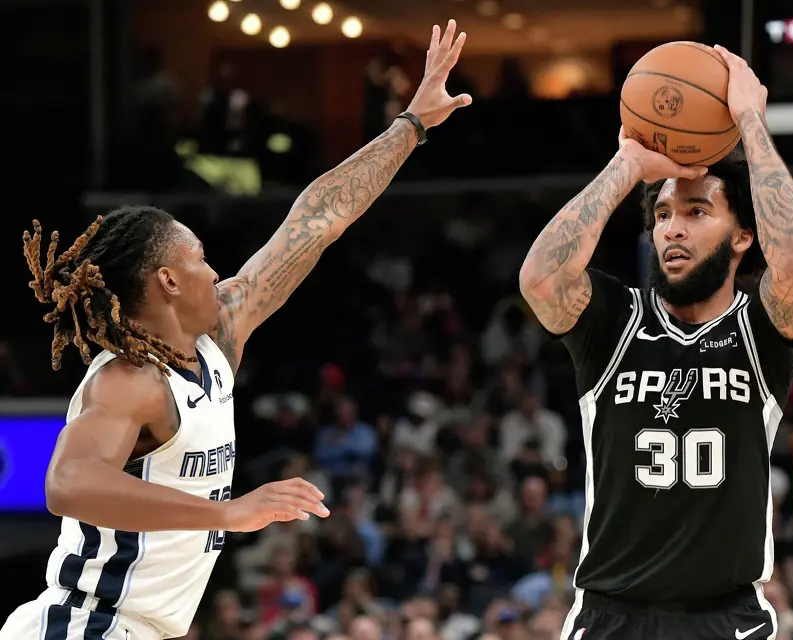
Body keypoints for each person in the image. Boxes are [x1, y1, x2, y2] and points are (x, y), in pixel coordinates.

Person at [1, 19, 471, 640]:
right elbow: (65, 484)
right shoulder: (129, 381)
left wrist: (408, 127)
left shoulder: (219, 334)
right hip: (87, 626)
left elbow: (316, 219)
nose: (214, 269)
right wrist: (228, 511)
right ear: (167, 280)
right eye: (197, 257)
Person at [518, 46, 793, 640]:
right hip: (611, 615)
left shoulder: (759, 331)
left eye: (696, 211)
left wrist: (751, 123)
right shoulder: (614, 321)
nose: (672, 227)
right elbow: (540, 280)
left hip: (726, 618)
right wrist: (627, 163)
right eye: (661, 216)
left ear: (741, 238)